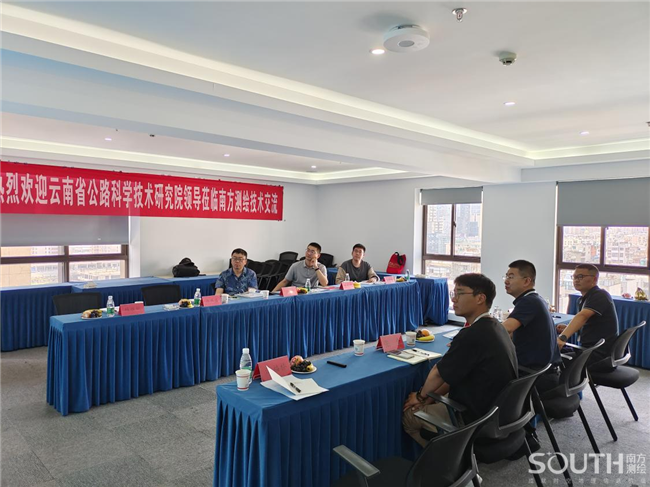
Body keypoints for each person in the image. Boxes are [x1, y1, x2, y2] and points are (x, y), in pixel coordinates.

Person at [402, 273, 518, 447]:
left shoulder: (472, 334)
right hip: (500, 411)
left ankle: (454, 459)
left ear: (480, 298)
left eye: (460, 293)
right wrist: (429, 397)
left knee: (410, 415)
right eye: (453, 293)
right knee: (435, 397)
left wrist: (419, 396)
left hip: (476, 418)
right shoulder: (497, 326)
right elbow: (454, 374)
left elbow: (438, 373)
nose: (454, 299)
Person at [502, 260, 561, 392]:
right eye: (506, 276)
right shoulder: (536, 299)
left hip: (535, 377)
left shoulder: (528, 302)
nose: (506, 281)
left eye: (511, 277)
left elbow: (506, 328)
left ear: (526, 281)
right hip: (545, 372)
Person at [556, 264, 619, 371]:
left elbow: (583, 316)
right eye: (574, 277)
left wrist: (562, 337)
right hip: (590, 350)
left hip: (598, 355)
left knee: (550, 358)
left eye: (580, 277)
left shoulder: (600, 295)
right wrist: (568, 328)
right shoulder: (583, 298)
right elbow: (592, 325)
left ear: (594, 279)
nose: (576, 280)